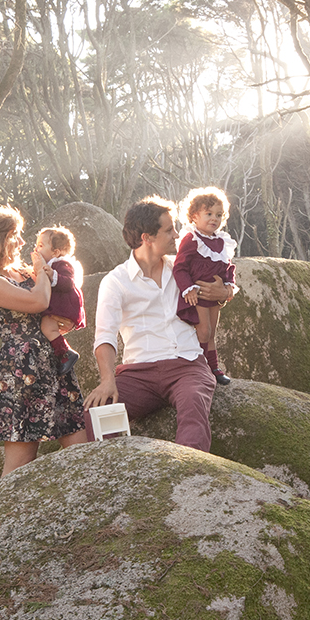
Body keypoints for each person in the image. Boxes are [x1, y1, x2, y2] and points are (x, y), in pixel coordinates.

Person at [84, 196, 235, 453]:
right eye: (169, 230)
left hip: (186, 365)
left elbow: (220, 286)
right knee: (94, 412)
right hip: (139, 372)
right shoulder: (116, 281)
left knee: (194, 405)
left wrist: (225, 294)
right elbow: (105, 337)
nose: (177, 234)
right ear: (147, 237)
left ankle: (187, 475)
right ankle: (118, 479)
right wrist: (107, 380)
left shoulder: (182, 267)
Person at [0, 206, 87, 477]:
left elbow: (66, 287)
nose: (21, 241)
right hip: (21, 370)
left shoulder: (24, 271)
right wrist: (42, 271)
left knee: (80, 448)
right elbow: (39, 300)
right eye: (13, 235)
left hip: (54, 362)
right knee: (20, 464)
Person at [173, 185, 237, 385]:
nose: (214, 219)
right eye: (208, 213)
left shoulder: (221, 242)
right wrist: (188, 288)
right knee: (203, 331)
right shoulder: (191, 239)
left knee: (212, 333)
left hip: (214, 297)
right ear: (194, 216)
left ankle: (214, 367)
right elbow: (180, 267)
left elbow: (227, 268)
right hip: (198, 294)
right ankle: (200, 368)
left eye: (218, 215)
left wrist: (228, 286)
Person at [34, 225, 84, 380]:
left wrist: (52, 275)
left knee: (47, 327)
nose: (36, 249)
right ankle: (61, 352)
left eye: (41, 246)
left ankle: (65, 353)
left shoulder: (62, 264)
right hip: (58, 306)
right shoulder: (50, 265)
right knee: (47, 327)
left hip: (64, 306)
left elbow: (69, 282)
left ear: (55, 252)